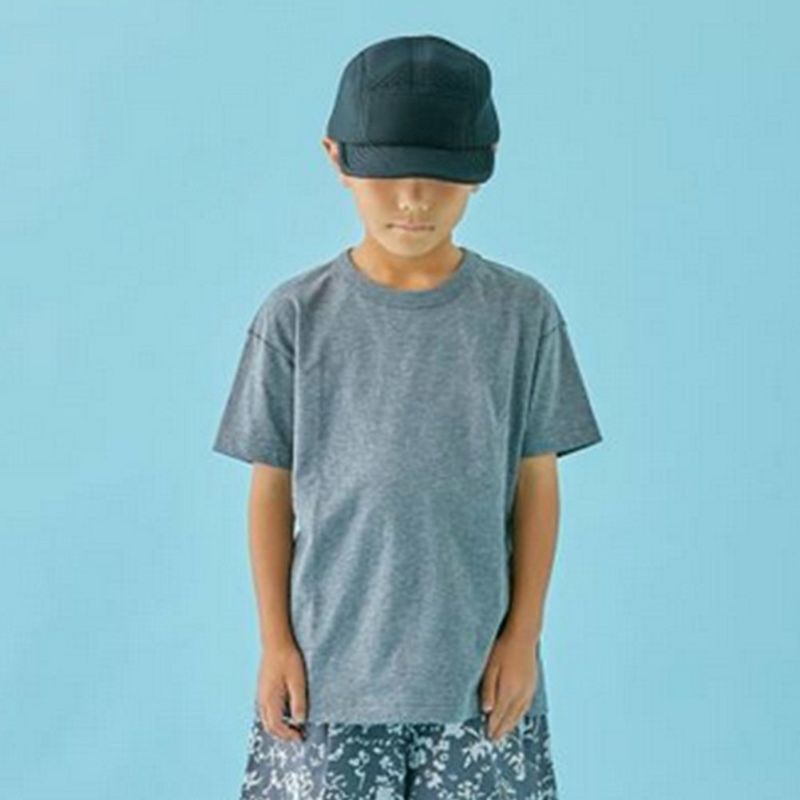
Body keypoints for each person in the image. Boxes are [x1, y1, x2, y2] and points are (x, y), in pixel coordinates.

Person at [212, 33, 603, 800]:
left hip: (478, 684)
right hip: (326, 682)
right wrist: (276, 643)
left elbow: (537, 484)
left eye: (440, 175)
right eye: (389, 175)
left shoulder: (521, 315)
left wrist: (523, 638)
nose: (414, 200)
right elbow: (270, 490)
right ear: (336, 157)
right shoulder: (295, 318)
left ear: (484, 165)